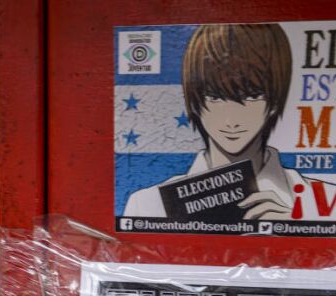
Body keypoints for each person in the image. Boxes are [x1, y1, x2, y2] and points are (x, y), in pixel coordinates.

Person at [123, 24, 305, 220]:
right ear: (193, 102)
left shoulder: (327, 204)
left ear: (274, 102)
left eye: (252, 96)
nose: (231, 120)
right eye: (214, 97)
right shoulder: (147, 205)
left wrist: (293, 232)